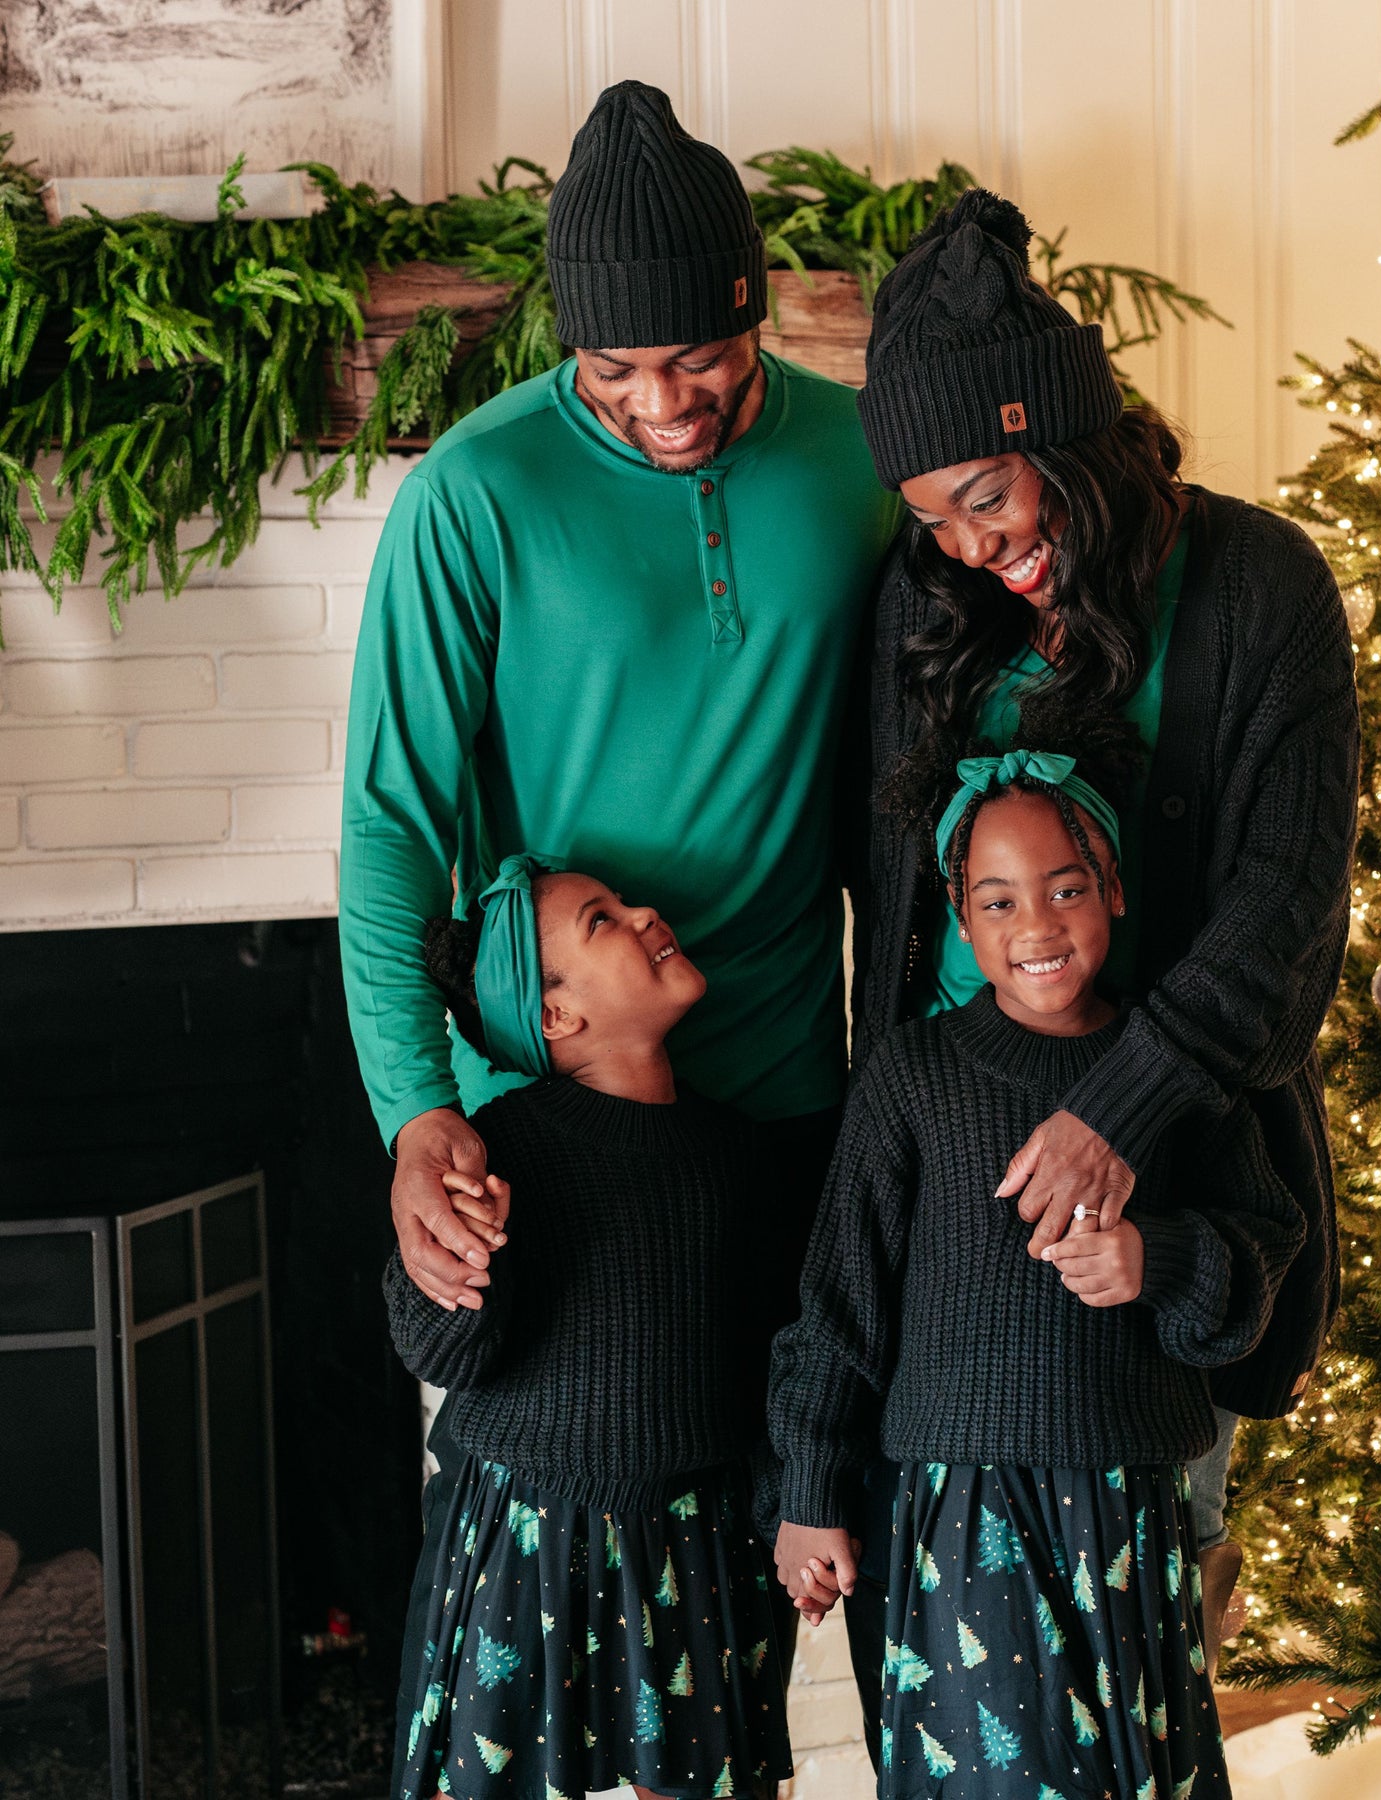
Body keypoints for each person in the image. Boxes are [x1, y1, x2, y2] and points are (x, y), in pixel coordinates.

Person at [338, 80, 898, 1778]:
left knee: (748, 1578)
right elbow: (392, 828)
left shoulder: (860, 460)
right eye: (614, 372)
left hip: (788, 1111)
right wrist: (415, 1110)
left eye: (699, 361)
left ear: (754, 307)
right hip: (562, 1132)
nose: (663, 405)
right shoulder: (473, 495)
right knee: (547, 1542)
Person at [841, 188, 1361, 1720]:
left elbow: (1286, 917)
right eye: (933, 517)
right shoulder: (925, 603)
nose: (970, 545)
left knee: (1135, 1653)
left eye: (989, 496)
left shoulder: (1260, 588)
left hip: (1169, 1188)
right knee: (955, 1664)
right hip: (949, 1193)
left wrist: (1114, 1117)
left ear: (1066, 436)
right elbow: (892, 910)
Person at [766, 746, 1304, 1799]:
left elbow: (1259, 1260)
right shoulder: (914, 1076)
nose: (1038, 927)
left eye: (1066, 889)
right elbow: (839, 1304)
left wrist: (1155, 1258)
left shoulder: (1174, 1078)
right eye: (999, 901)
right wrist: (810, 1490)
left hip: (1129, 1507)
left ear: (1113, 890)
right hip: (962, 1517)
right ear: (961, 921)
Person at [385, 855, 791, 1800]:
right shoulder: (500, 1148)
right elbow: (441, 1353)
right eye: (603, 919)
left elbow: (771, 1360)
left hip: (694, 1535)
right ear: (557, 1015)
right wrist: (471, 1256)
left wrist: (788, 1509)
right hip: (525, 1533)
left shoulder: (739, 1153)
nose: (647, 913)